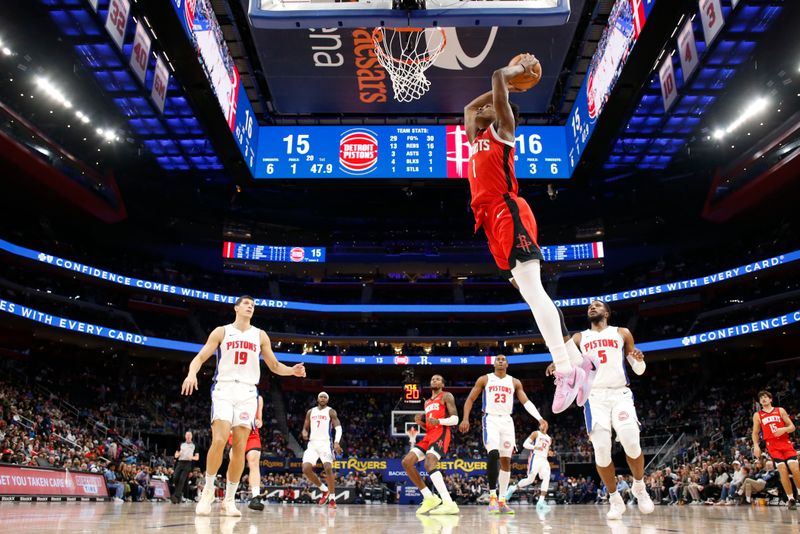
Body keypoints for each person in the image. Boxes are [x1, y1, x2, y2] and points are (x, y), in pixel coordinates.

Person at [463, 54, 593, 414]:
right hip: (491, 221)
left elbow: (494, 77)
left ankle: (566, 370)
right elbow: (468, 108)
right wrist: (492, 93)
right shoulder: (477, 135)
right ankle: (577, 358)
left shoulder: (503, 131)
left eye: (494, 104)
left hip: (510, 212)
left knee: (534, 292)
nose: (485, 108)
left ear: (504, 114)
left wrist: (513, 74)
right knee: (528, 292)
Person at [181, 295, 306, 516]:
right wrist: (192, 374)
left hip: (248, 391)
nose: (250, 307)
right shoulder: (222, 331)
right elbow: (200, 357)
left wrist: (292, 371)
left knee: (239, 447)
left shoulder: (260, 335)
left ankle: (229, 499)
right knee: (219, 440)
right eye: (246, 304)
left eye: (253, 305)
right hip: (224, 388)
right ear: (236, 308)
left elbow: (274, 365)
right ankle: (208, 492)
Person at [549, 300, 653, 519]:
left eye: (597, 305)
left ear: (607, 312)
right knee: (602, 448)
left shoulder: (622, 333)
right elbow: (565, 359)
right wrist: (556, 364)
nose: (592, 308)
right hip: (594, 396)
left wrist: (639, 361)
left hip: (619, 393)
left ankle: (639, 487)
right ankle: (614, 499)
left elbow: (639, 370)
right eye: (590, 306)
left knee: (631, 440)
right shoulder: (579, 337)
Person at [460, 354, 548, 514]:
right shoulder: (485, 379)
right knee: (493, 454)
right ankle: (492, 496)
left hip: (507, 421)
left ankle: (502, 500)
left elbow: (526, 402)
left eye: (503, 360)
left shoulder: (514, 382)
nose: (500, 361)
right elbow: (470, 399)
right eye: (498, 360)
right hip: (490, 419)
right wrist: (465, 418)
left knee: (506, 461)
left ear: (507, 364)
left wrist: (540, 418)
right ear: (494, 364)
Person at [401, 375, 460, 515]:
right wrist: (421, 423)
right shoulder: (427, 402)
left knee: (429, 464)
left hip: (441, 433)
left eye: (438, 379)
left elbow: (455, 419)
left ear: (443, 384)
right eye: (432, 379)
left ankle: (448, 503)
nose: (435, 380)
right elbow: (429, 426)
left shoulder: (447, 396)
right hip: (429, 435)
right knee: (407, 462)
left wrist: (439, 421)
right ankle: (429, 497)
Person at [752, 390, 799, 509]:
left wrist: (783, 430)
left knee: (794, 468)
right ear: (760, 401)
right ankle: (791, 498)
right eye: (761, 397)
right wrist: (756, 446)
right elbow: (755, 433)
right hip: (772, 445)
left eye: (766, 397)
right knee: (782, 469)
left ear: (770, 399)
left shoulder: (780, 410)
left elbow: (792, 427)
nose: (763, 399)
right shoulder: (758, 415)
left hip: (785, 443)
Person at [301, 392, 343, 509]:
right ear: (317, 399)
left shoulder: (331, 411)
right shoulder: (311, 412)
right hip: (312, 444)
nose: (323, 398)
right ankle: (324, 490)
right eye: (321, 397)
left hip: (325, 443)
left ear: (327, 400)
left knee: (328, 468)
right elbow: (305, 427)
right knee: (306, 469)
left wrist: (336, 442)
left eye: (325, 397)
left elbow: (338, 427)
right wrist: (304, 432)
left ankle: (333, 499)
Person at [226, 395, 265, 510]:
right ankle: (229, 497)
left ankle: (256, 497)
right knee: (234, 464)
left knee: (254, 462)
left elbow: (259, 418)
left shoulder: (258, 397)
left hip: (252, 434)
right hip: (236, 432)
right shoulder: (232, 393)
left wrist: (259, 422)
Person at [505, 429, 553, 512]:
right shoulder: (536, 433)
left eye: (546, 423)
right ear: (540, 425)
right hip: (535, 457)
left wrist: (550, 452)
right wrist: (535, 447)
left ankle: (540, 502)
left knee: (547, 477)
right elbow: (525, 444)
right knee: (530, 480)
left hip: (544, 460)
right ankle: (512, 488)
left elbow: (547, 450)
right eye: (542, 423)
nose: (544, 424)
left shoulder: (549, 438)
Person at [171, 431, 199, 504]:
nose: (188, 436)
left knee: (182, 480)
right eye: (187, 435)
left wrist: (192, 457)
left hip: (188, 464)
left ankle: (176, 497)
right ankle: (179, 495)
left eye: (190, 435)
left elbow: (197, 457)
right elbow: (176, 454)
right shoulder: (181, 444)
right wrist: (178, 454)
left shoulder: (195, 445)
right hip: (180, 462)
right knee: (175, 477)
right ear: (185, 436)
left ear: (192, 436)